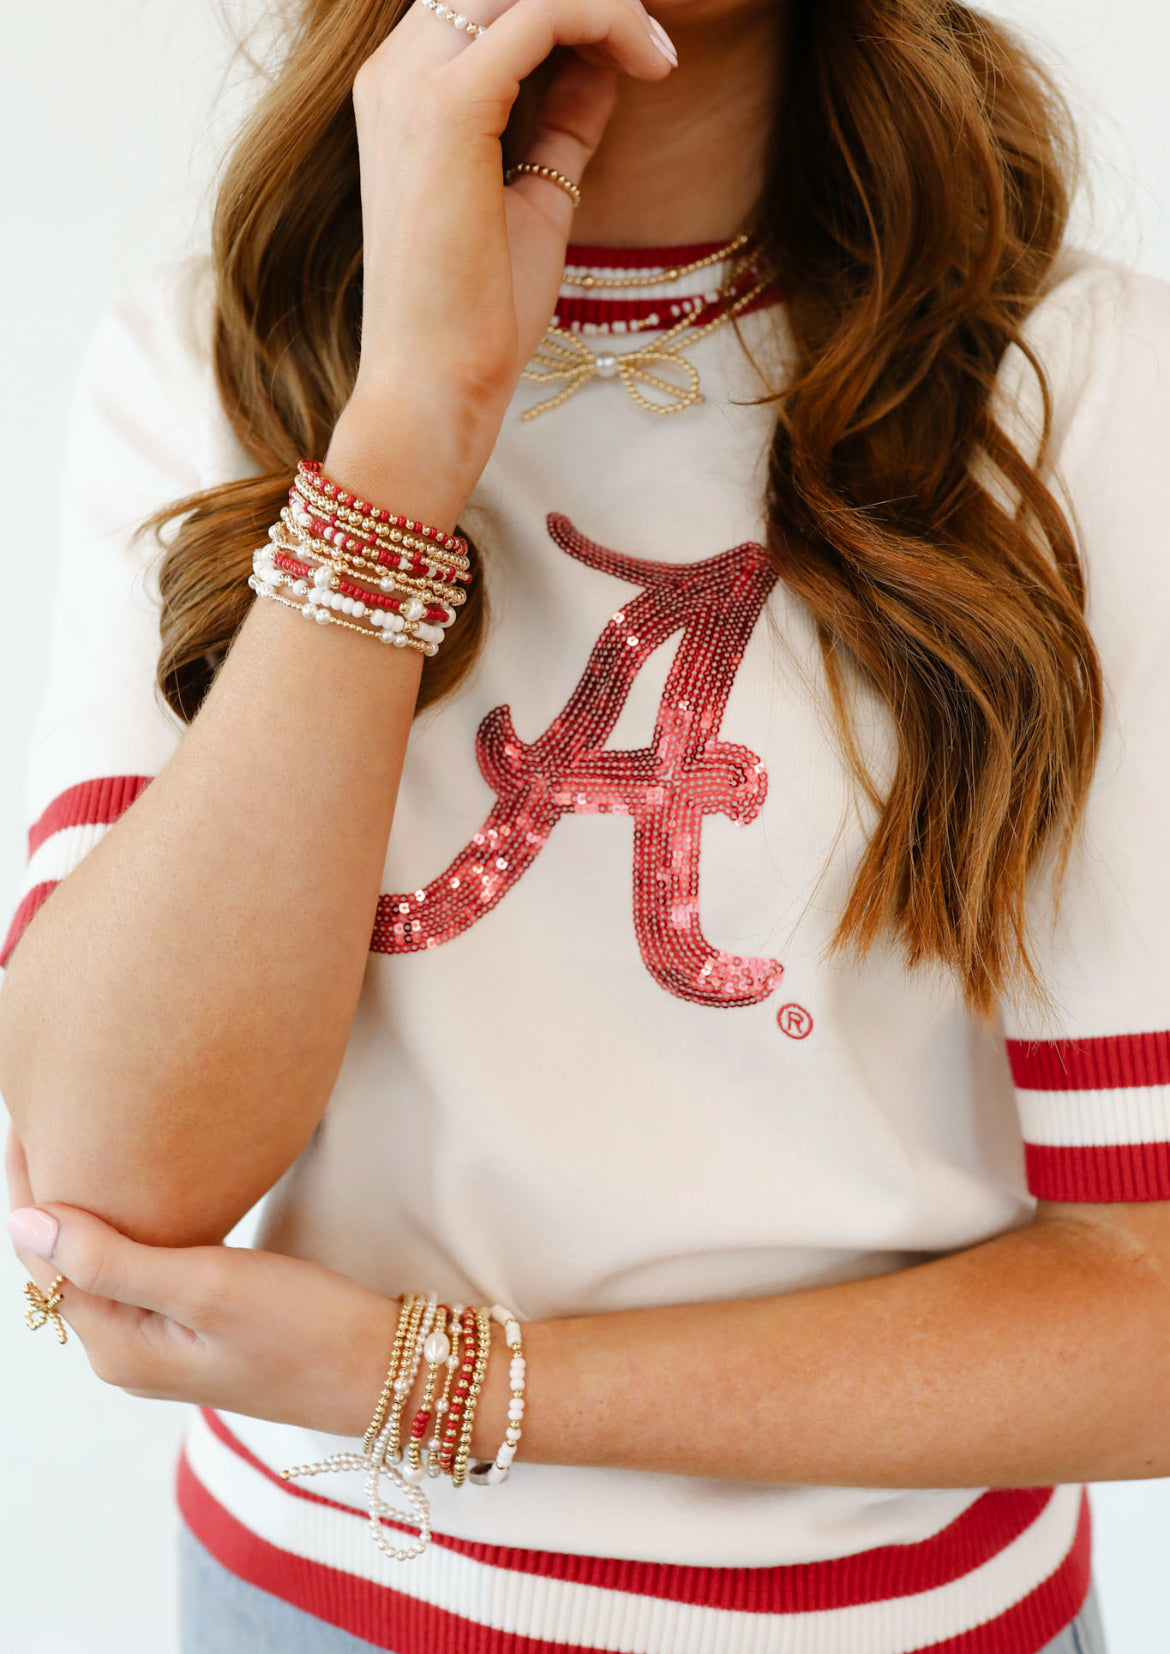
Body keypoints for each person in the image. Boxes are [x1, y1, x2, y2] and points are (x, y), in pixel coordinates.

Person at [1, 0, 1168, 1647]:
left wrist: (444, 1381)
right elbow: (115, 1185)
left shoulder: (1085, 389)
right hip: (305, 1606)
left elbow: (1148, 1307)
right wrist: (408, 424)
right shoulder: (208, 362)